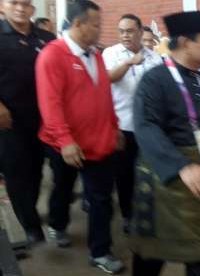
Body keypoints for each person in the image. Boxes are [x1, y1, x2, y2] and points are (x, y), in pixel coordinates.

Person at [130, 10, 200, 276]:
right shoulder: (154, 80)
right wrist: (183, 167)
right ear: (184, 42)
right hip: (164, 182)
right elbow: (146, 127)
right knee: (151, 255)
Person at [35, 0, 124, 273]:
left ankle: (100, 251)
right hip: (66, 145)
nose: (100, 30)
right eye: (96, 25)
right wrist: (65, 141)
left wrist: (114, 126)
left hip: (98, 141)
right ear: (77, 24)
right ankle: (57, 225)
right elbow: (50, 104)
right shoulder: (52, 56)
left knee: (100, 198)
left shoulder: (95, 54)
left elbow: (103, 94)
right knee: (63, 188)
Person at [0, 0, 55, 246]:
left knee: (35, 170)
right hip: (9, 120)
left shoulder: (46, 37)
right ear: (3, 5)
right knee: (16, 172)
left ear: (33, 9)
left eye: (26, 3)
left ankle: (29, 209)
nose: (20, 8)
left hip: (44, 118)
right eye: (15, 2)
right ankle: (30, 224)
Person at [102, 14, 162, 234]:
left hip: (148, 127)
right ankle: (128, 214)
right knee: (124, 174)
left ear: (139, 32)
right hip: (122, 126)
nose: (125, 35)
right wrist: (128, 62)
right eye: (121, 31)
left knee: (147, 172)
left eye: (129, 31)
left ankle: (147, 213)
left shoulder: (155, 58)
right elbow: (108, 78)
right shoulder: (111, 54)